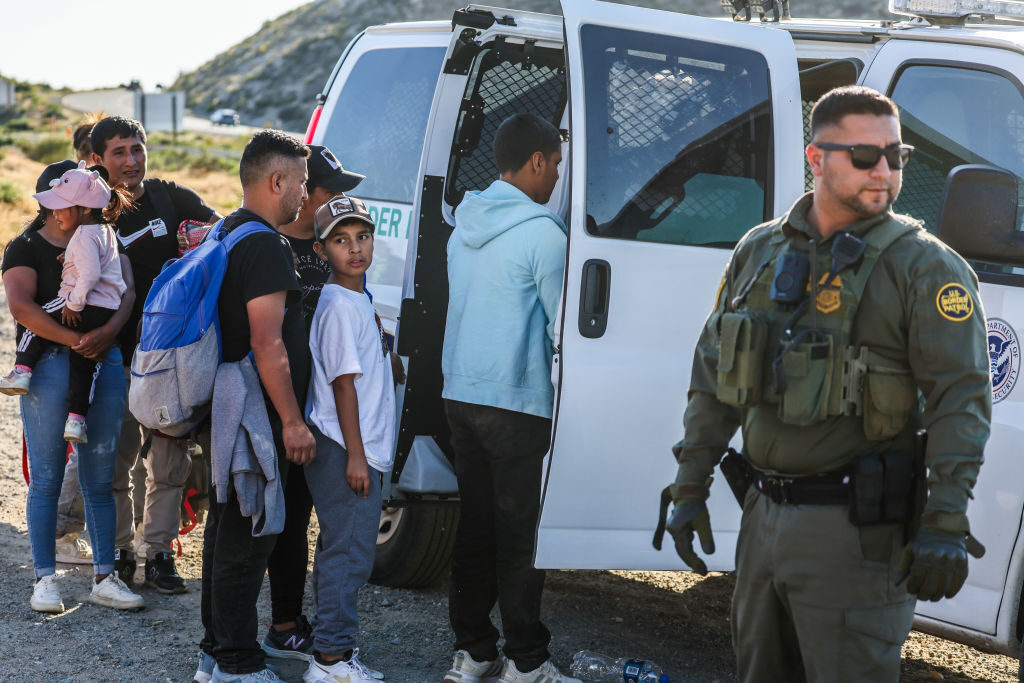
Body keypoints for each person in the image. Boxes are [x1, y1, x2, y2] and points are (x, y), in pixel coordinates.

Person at [664, 86, 990, 682]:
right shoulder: (759, 251)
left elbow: (960, 401)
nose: (885, 171)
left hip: (854, 535)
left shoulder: (925, 268)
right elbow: (714, 379)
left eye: (897, 155)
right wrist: (690, 485)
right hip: (761, 519)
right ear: (816, 159)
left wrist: (945, 518)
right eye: (865, 156)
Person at [441, 113, 577, 683]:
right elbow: (564, 329)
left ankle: (473, 653)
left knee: (475, 525)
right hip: (514, 400)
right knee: (521, 536)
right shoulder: (544, 233)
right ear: (539, 161)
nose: (556, 180)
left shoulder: (464, 222)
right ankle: (528, 663)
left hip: (460, 395)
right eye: (557, 166)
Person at [194, 129, 316, 683]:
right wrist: (292, 421)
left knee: (225, 533)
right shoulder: (267, 244)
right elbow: (268, 345)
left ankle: (214, 656)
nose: (304, 194)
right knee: (249, 537)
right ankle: (239, 667)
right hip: (251, 408)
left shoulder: (226, 229)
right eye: (301, 183)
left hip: (222, 400)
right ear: (276, 180)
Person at [3, 161, 143, 613]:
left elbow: (126, 291)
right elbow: (22, 308)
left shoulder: (103, 236)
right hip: (52, 366)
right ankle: (45, 580)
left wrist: (108, 335)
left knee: (99, 478)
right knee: (45, 476)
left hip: (104, 361)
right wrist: (81, 340)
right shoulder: (25, 247)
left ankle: (104, 577)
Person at [90, 115, 219, 592]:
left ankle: (157, 555)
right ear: (99, 159)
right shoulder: (92, 211)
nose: (131, 160)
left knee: (168, 466)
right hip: (114, 358)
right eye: (119, 152)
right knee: (116, 463)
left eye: (137, 149)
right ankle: (121, 551)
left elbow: (221, 232)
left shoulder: (171, 197)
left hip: (170, 361)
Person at [260, 145, 364, 661]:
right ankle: (283, 623)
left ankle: (304, 621)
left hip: (324, 415)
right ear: (303, 191)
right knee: (286, 517)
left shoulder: (336, 249)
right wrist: (288, 416)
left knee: (318, 520)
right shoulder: (272, 246)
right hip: (283, 411)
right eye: (330, 187)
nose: (340, 197)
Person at [302, 196, 393, 683]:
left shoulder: (358, 297)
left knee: (348, 548)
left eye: (362, 237)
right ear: (321, 250)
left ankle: (331, 651)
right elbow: (342, 385)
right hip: (345, 446)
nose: (355, 249)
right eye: (341, 240)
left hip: (356, 444)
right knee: (348, 552)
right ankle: (331, 661)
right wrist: (356, 457)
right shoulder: (338, 304)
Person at [1, 163, 130, 446]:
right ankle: (77, 420)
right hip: (104, 314)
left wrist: (74, 302)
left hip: (84, 305)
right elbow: (104, 268)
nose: (56, 213)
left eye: (61, 206)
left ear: (82, 208)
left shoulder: (84, 235)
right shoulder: (105, 231)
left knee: (35, 323)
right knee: (84, 369)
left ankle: (22, 371)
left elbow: (25, 310)